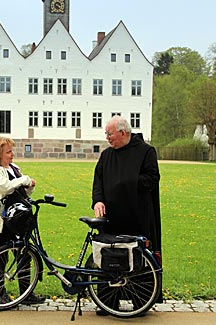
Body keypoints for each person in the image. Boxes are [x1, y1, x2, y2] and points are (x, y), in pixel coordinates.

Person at [91, 115, 162, 315]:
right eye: (106, 134)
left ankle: (140, 302)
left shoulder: (146, 152)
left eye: (110, 133)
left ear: (123, 133)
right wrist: (98, 200)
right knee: (110, 257)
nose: (107, 137)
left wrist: (124, 183)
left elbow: (151, 179)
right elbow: (98, 180)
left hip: (137, 216)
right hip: (112, 218)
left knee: (138, 258)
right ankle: (107, 302)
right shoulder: (106, 155)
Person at [0, 136, 45, 305]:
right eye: (8, 152)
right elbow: (6, 187)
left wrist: (30, 187)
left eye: (12, 151)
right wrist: (26, 179)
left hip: (18, 219)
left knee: (24, 256)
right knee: (1, 258)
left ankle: (26, 294)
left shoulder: (14, 169)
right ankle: (0, 294)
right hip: (3, 221)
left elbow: (22, 195)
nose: (12, 155)